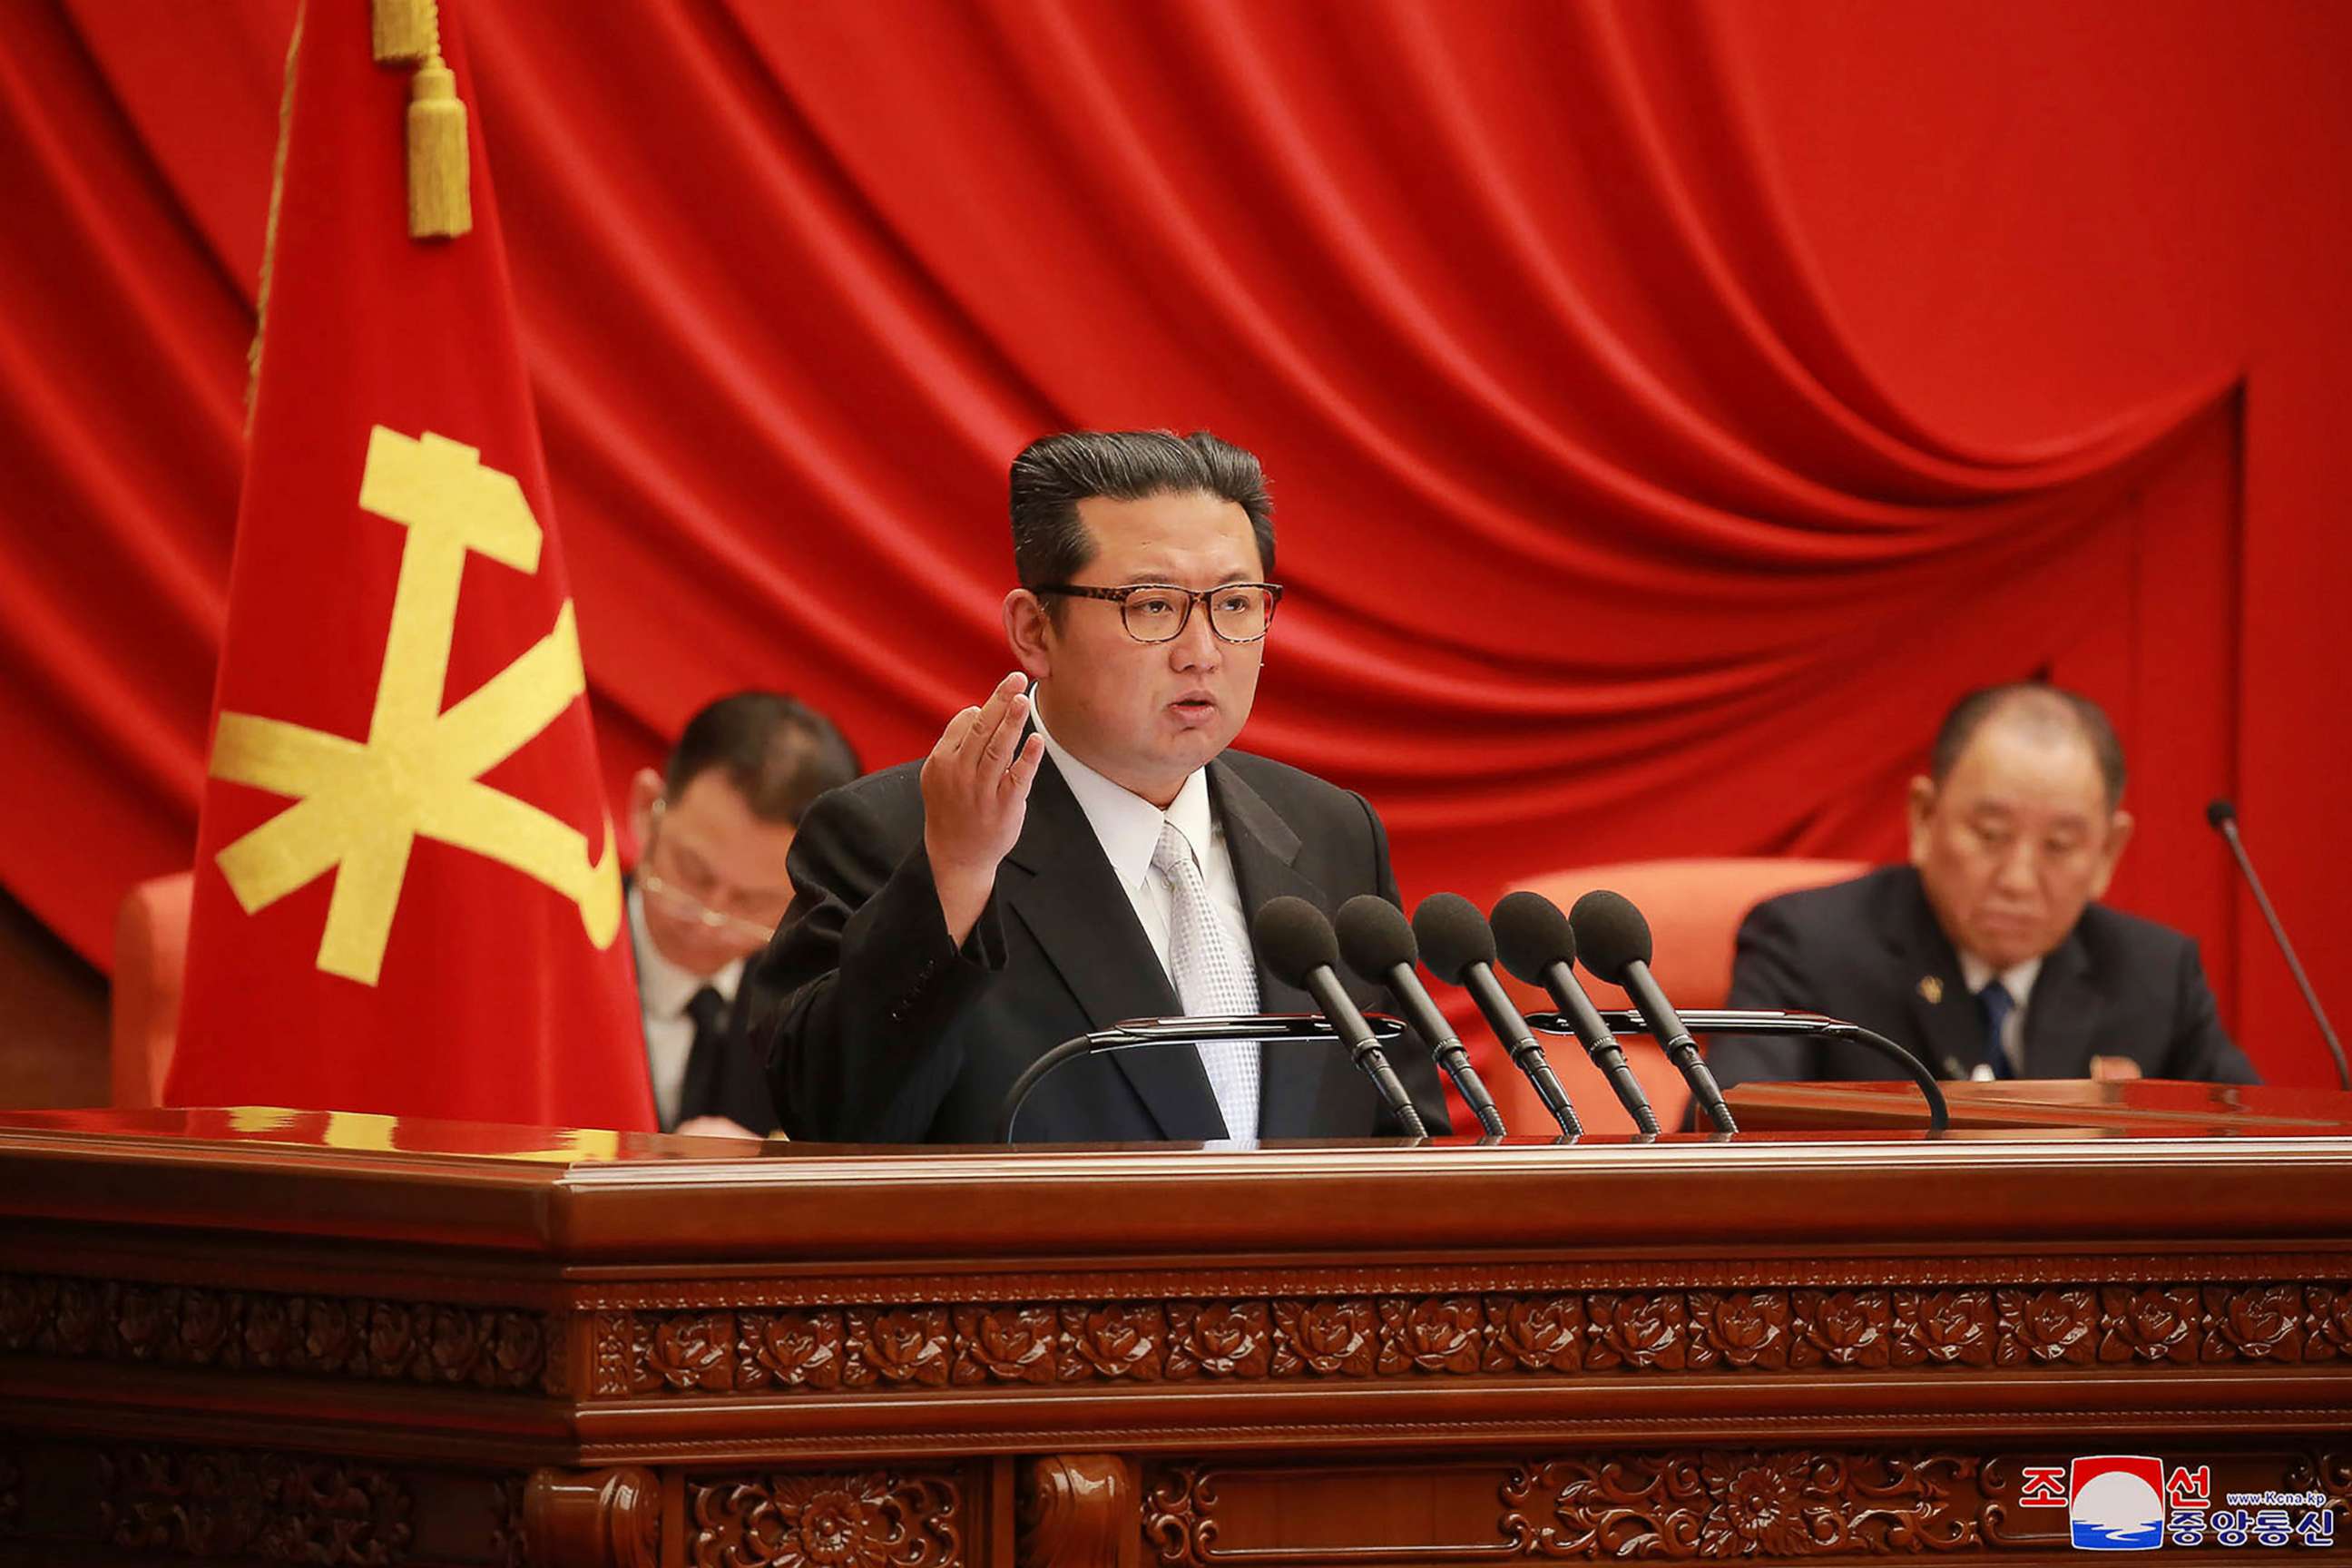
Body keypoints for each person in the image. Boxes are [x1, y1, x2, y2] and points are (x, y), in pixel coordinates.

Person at [740, 430, 1450, 1144]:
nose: (1200, 654)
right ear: (1034, 630)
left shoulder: (1332, 832)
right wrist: (954, 877)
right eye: (1152, 606)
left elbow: (1407, 1135)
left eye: (1235, 605)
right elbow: (828, 1118)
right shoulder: (897, 835)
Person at [1710, 682, 2259, 1088]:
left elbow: (2265, 1156)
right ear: (1924, 819)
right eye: (1991, 835)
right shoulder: (1807, 948)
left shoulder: (2156, 975)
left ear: (2107, 853)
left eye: (2059, 846)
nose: (2018, 881)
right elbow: (1723, 1140)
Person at [627, 691, 861, 1137]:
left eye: (752, 902)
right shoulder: (543, 956)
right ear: (645, 811)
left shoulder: (819, 1015)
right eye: (693, 873)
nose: (708, 920)